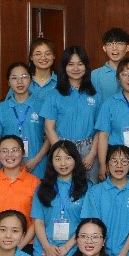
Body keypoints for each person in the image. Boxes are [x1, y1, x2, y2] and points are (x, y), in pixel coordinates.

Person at [81, 145, 129, 256]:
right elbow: (93, 226)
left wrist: (123, 254)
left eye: (124, 161)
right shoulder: (95, 192)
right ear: (107, 164)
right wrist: (101, 253)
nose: (119, 165)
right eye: (114, 161)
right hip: (100, 249)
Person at [43, 46, 101, 180]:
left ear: (86, 66)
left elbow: (99, 129)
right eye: (71, 64)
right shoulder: (54, 95)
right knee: (63, 187)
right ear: (64, 67)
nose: (76, 68)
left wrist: (92, 153)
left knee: (90, 188)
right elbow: (49, 128)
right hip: (62, 148)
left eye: (80, 64)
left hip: (88, 150)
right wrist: (61, 152)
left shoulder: (95, 95)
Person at [0, 60, 49, 177]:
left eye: (24, 77)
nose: (20, 81)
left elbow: (49, 136)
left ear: (31, 79)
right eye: (14, 78)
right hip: (9, 166)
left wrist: (36, 160)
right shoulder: (0, 109)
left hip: (37, 165)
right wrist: (11, 159)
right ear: (8, 82)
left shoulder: (42, 105)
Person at [91, 28, 129, 101]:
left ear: (128, 47)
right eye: (109, 44)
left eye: (119, 43)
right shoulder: (95, 75)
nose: (114, 48)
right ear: (104, 48)